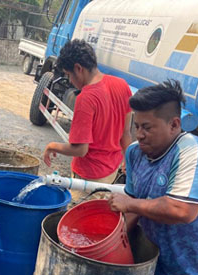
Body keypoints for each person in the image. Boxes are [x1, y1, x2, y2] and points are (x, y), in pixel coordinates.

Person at [107, 80, 198, 275]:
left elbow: (182, 210)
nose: (140, 135)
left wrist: (130, 203)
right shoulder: (135, 152)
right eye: (136, 126)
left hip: (190, 272)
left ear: (174, 124)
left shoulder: (191, 151)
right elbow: (133, 209)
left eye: (147, 127)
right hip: (151, 263)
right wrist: (110, 247)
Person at [42, 39, 132, 186]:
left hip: (88, 178)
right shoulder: (122, 85)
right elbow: (126, 133)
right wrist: (128, 162)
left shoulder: (86, 98)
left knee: (81, 209)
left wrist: (52, 146)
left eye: (69, 75)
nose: (70, 81)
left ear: (78, 68)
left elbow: (80, 149)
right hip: (111, 173)